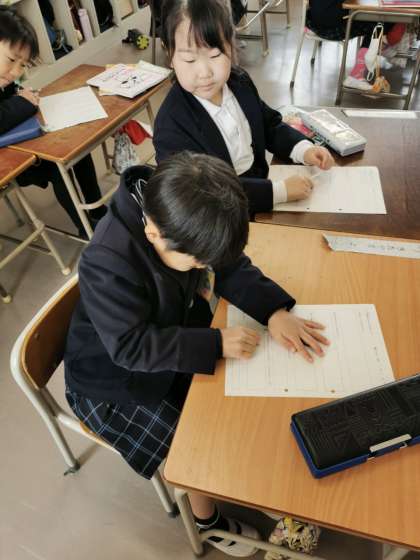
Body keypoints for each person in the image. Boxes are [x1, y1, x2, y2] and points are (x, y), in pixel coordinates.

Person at [64, 151, 329, 557]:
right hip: (115, 381)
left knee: (231, 410)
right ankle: (208, 520)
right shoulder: (108, 260)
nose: (206, 265)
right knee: (198, 441)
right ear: (153, 233)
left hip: (171, 336)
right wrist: (215, 343)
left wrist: (274, 310)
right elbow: (130, 346)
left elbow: (227, 264)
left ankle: (253, 487)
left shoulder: (178, 205)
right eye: (198, 260)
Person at [153, 0, 334, 218]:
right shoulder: (171, 125)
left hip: (261, 195)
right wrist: (277, 192)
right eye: (189, 59)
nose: (204, 73)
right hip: (222, 221)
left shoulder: (239, 82)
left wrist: (302, 149)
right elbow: (203, 193)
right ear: (170, 54)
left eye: (215, 55)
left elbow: (269, 125)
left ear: (230, 45)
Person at [0, 6, 106, 237]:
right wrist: (23, 103)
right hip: (7, 161)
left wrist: (21, 97)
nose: (16, 71)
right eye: (12, 60)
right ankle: (87, 229)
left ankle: (97, 209)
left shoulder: (4, 79)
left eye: (23, 65)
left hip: (18, 144)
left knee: (75, 147)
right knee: (58, 164)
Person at [306, 1, 407, 90]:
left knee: (375, 19)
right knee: (380, 22)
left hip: (312, 21)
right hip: (331, 27)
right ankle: (357, 74)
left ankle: (379, 47)